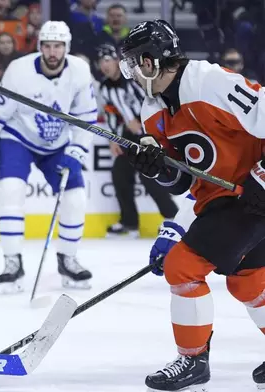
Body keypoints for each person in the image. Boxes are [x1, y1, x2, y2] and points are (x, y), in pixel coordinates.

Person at [120, 19, 265, 391]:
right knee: (250, 282)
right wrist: (158, 169)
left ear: (150, 62)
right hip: (226, 198)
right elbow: (184, 179)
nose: (132, 73)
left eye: (134, 63)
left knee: (183, 266)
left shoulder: (210, 82)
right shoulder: (151, 109)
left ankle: (192, 361)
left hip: (253, 194)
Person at [0, 21, 98, 291]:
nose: (52, 52)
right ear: (40, 46)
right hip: (18, 137)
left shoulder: (79, 72)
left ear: (67, 47)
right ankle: (12, 262)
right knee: (10, 190)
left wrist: (76, 153)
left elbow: (87, 118)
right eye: (47, 46)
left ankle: (68, 259)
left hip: (57, 144)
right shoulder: (19, 72)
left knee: (75, 198)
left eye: (58, 46)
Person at [96, 43, 178, 238]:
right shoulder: (105, 88)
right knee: (119, 173)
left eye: (108, 60)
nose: (104, 65)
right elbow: (112, 116)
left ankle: (173, 217)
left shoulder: (134, 78)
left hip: (150, 133)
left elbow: (154, 98)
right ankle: (129, 222)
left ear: (117, 61)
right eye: (101, 62)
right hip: (129, 136)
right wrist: (113, 139)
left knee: (149, 175)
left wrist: (143, 120)